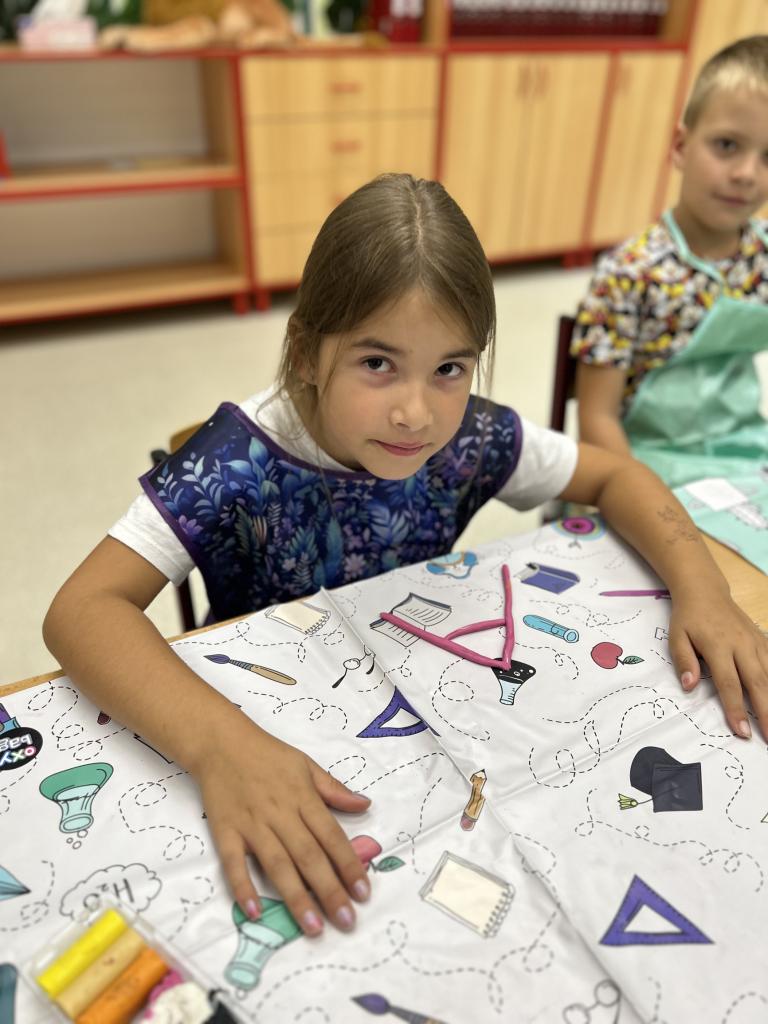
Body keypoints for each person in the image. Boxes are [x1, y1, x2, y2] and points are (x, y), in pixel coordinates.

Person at [43, 173, 768, 942]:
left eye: (450, 368)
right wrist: (222, 748)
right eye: (377, 363)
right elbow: (81, 611)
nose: (416, 413)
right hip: (267, 735)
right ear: (306, 351)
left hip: (419, 735)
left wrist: (704, 591)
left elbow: (616, 475)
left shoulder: (469, 435)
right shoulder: (237, 458)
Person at [571, 35, 768, 487]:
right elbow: (598, 420)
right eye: (726, 145)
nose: (745, 174)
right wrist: (645, 498)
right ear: (680, 146)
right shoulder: (629, 273)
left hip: (744, 455)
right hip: (641, 465)